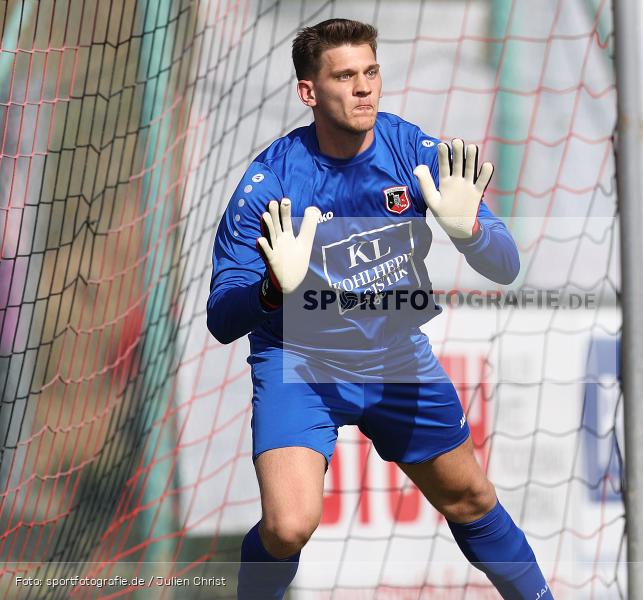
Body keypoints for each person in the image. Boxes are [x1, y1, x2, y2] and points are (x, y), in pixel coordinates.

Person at [207, 18, 553, 600]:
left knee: (471, 498)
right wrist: (271, 290)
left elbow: (506, 265)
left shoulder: (413, 152)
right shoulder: (268, 185)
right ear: (309, 92)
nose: (364, 87)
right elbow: (221, 317)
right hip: (300, 364)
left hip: (395, 357)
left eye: (371, 72)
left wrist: (470, 234)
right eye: (345, 76)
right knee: (289, 526)